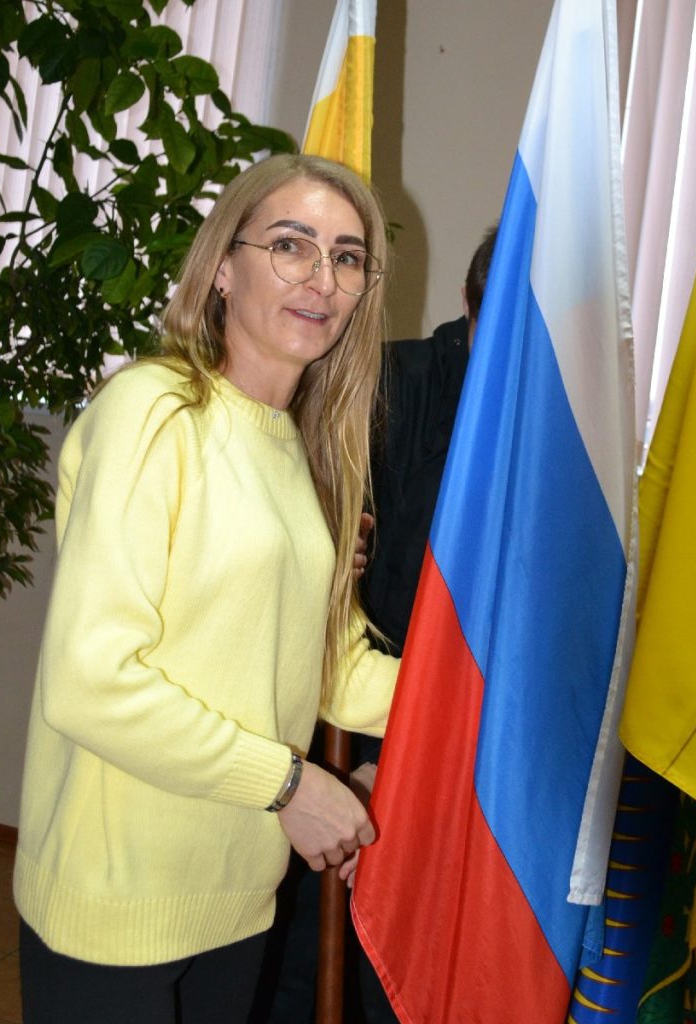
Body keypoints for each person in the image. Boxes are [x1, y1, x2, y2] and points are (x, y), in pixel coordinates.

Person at [12, 152, 400, 1024]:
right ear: (223, 266)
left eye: (346, 257)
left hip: (237, 893)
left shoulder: (302, 453)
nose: (321, 279)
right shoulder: (154, 409)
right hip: (113, 902)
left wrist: (480, 703)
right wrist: (292, 786)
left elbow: (332, 668)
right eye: (291, 245)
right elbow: (91, 680)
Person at [251, 225, 497, 1024]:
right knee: (305, 967)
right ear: (468, 303)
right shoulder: (379, 387)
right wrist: (368, 768)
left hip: (472, 742)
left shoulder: (566, 430)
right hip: (347, 735)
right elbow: (302, 584)